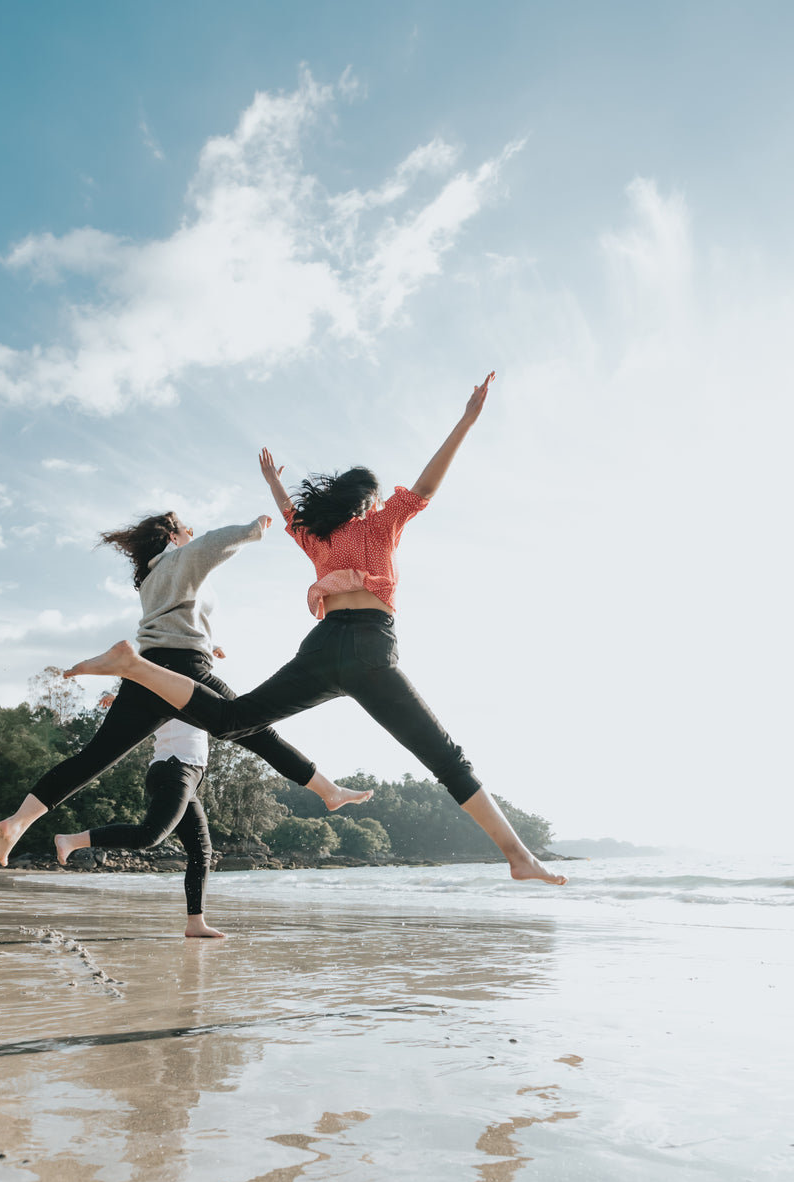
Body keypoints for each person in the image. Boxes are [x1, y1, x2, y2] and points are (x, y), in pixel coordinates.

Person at [61, 375, 567, 886]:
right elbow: (426, 486)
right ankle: (518, 856)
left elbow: (289, 514)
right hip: (371, 650)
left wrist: (274, 483)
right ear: (368, 501)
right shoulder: (380, 523)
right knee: (445, 759)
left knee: (233, 720)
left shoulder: (318, 537)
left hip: (323, 651)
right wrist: (465, 422)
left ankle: (135, 666)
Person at [0, 511, 370, 866]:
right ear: (173, 536)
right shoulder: (180, 558)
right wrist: (253, 529)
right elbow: (210, 544)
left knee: (93, 759)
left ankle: (18, 822)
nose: (190, 532)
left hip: (150, 670)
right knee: (256, 730)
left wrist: (210, 641)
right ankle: (328, 791)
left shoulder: (152, 577)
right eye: (185, 528)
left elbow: (176, 618)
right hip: (187, 670)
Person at [56, 696, 225, 939]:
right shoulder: (175, 689)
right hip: (175, 769)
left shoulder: (196, 692)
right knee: (149, 835)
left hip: (187, 777)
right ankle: (71, 841)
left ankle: (195, 923)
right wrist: (120, 700)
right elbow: (148, 687)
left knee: (200, 853)